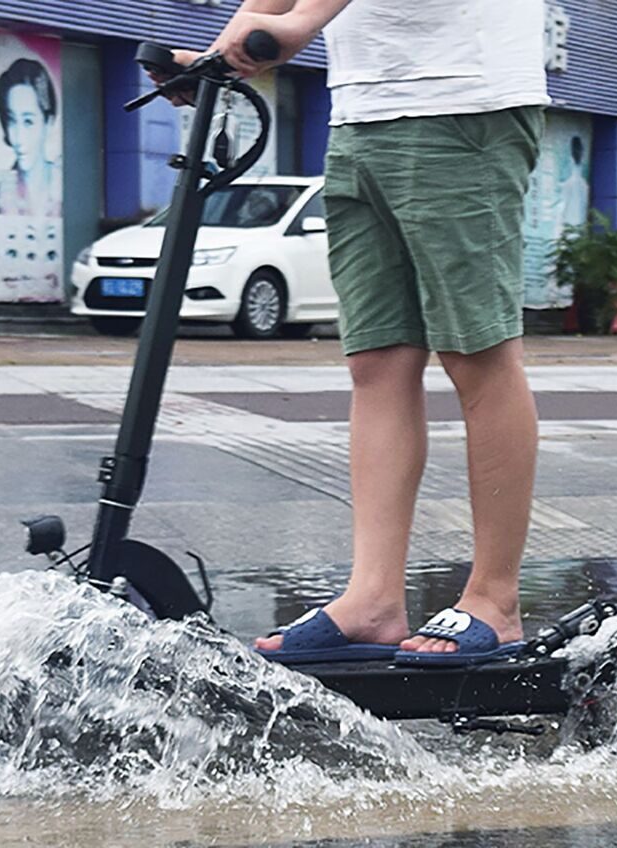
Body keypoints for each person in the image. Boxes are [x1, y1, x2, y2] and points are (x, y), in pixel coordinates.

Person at [174, 0, 547, 666]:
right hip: (361, 110)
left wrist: (299, 26)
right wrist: (223, 48)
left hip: (464, 100)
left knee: (477, 353)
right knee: (376, 361)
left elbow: (293, 15)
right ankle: (373, 598)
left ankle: (495, 598)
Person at [0, 58, 61, 218]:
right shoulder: (3, 192)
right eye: (12, 121)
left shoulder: (62, 183)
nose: (19, 137)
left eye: (28, 121)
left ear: (48, 123)